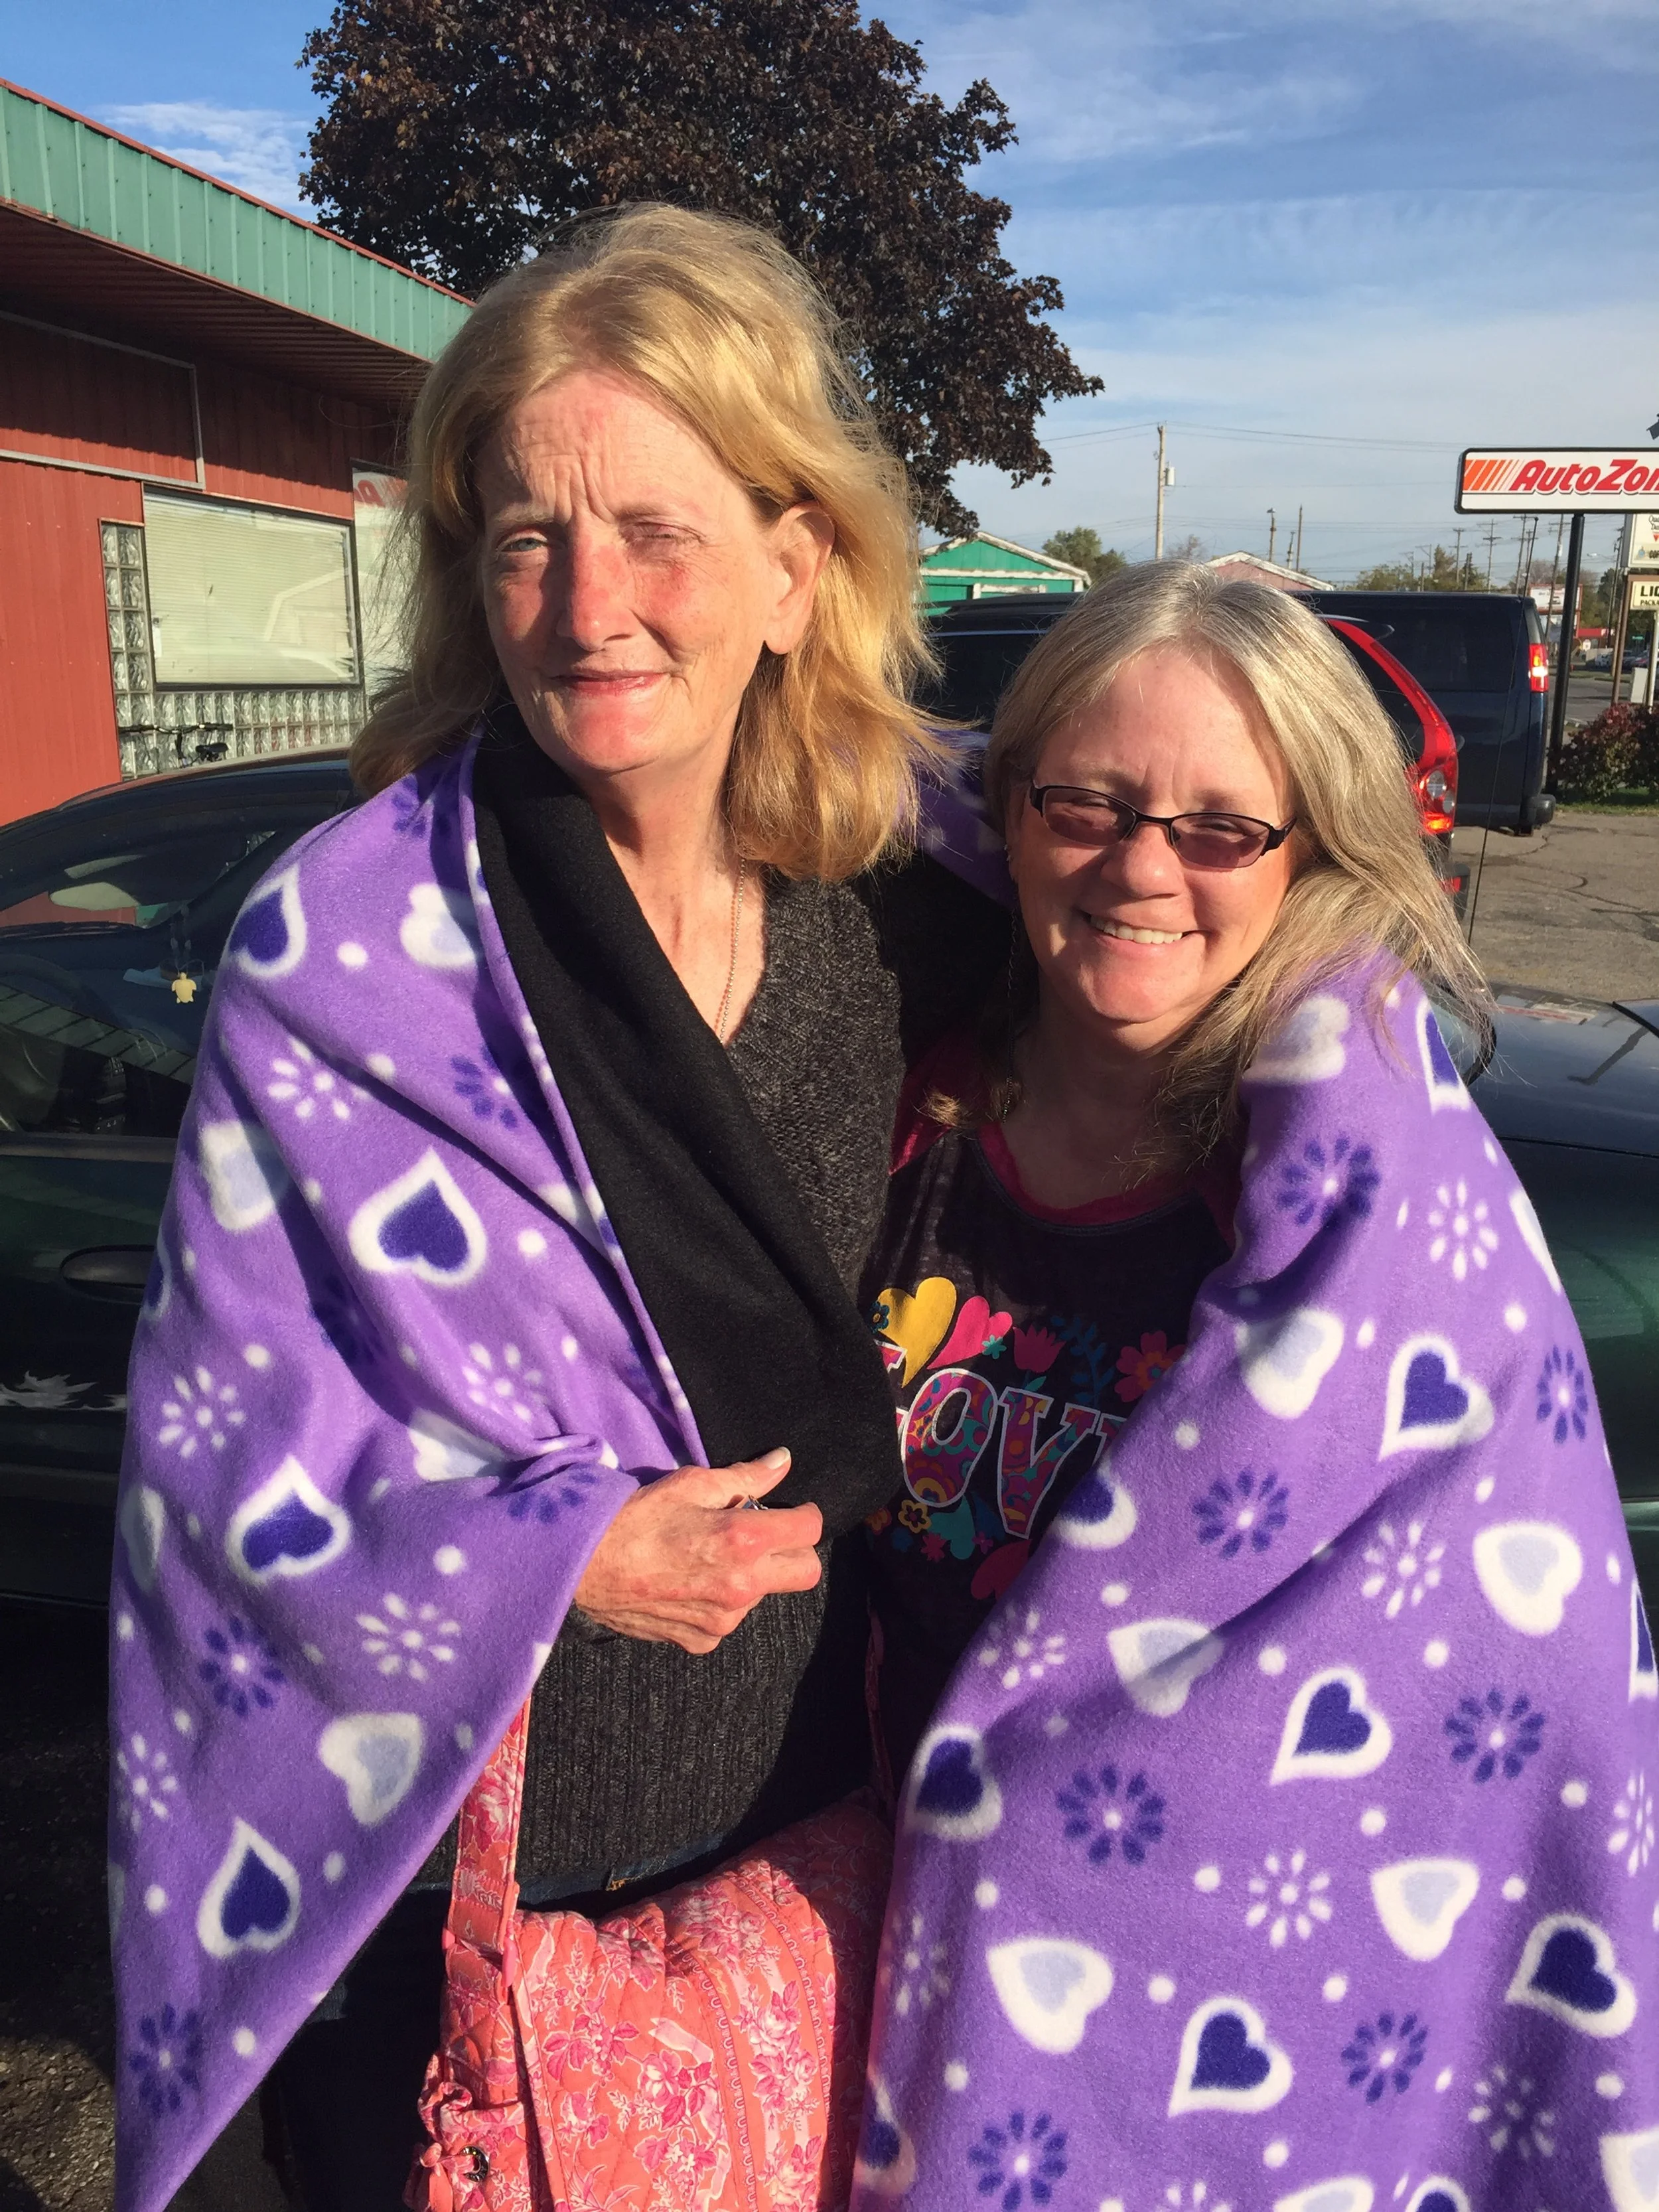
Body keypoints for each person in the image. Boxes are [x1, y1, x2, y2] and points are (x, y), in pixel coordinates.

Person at [108, 204, 1004, 2212]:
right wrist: (557, 1543)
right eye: (526, 535)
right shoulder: (344, 952)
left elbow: (1195, 958)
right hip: (450, 1885)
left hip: (809, 1828)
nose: (589, 602)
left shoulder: (909, 901)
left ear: (797, 567)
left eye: (658, 532)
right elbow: (210, 1457)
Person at [854, 563, 1658, 2203]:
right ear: (1005, 813)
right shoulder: (889, 1084)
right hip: (824, 1917)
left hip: (1165, 2034)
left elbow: (1518, 1700)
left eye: (1222, 825)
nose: (1140, 863)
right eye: (1083, 799)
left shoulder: (1367, 1215)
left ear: (1308, 855)